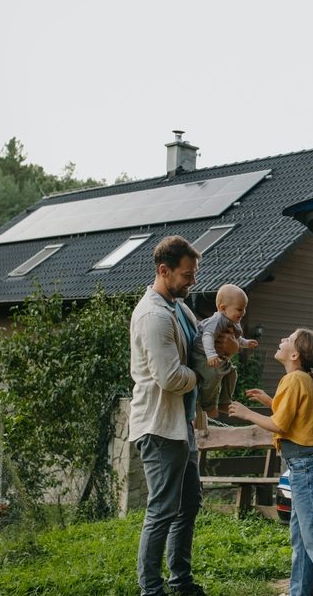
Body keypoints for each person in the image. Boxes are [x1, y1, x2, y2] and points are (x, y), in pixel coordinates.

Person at [228, 328, 313, 596]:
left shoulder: (294, 380)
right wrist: (270, 401)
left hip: (306, 468)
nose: (282, 340)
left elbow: (280, 424)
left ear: (295, 354)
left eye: (288, 339)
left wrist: (247, 413)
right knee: (303, 540)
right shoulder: (304, 379)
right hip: (305, 467)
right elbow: (296, 416)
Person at [128, 235, 208, 596]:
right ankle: (151, 589)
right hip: (159, 427)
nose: (193, 280)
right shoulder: (153, 316)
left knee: (189, 503)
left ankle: (181, 581)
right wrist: (205, 375)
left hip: (182, 426)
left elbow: (200, 342)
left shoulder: (180, 307)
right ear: (164, 270)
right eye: (187, 274)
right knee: (161, 510)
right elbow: (171, 377)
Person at [191, 283, 259, 418]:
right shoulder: (217, 320)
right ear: (223, 308)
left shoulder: (232, 320)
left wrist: (246, 343)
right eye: (240, 309)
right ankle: (208, 405)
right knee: (213, 375)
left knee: (232, 372)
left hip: (216, 356)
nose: (243, 312)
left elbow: (235, 339)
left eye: (244, 309)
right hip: (201, 355)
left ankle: (224, 401)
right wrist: (211, 355)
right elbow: (207, 336)